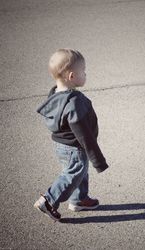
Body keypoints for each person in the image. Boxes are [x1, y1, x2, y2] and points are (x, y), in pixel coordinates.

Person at [34, 48, 109, 221]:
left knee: (78, 172)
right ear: (72, 77)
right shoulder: (75, 102)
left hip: (61, 145)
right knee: (73, 174)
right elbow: (84, 136)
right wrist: (98, 159)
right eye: (83, 71)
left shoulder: (55, 95)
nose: (85, 74)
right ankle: (48, 200)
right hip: (75, 146)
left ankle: (79, 199)